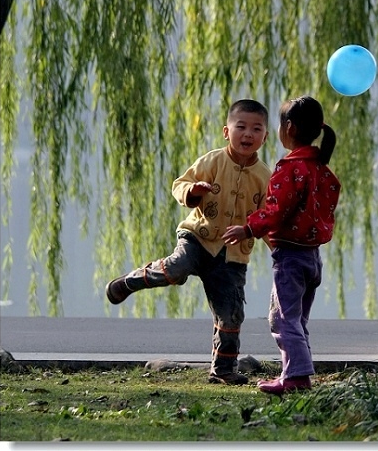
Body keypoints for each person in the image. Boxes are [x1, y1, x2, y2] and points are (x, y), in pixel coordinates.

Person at [105, 99, 271, 385]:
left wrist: (277, 248)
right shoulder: (212, 161)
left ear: (265, 137)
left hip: (232, 255)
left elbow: (268, 217)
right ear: (226, 131)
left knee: (231, 313)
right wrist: (193, 191)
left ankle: (222, 369)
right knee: (176, 269)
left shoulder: (265, 176)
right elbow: (179, 185)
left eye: (256, 129)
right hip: (198, 237)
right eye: (240, 127)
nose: (247, 134)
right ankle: (130, 281)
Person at [222, 95, 341, 395]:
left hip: (290, 257)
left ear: (287, 127)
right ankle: (295, 373)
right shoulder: (322, 170)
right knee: (298, 320)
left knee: (282, 319)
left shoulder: (291, 169)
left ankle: (297, 378)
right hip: (313, 258)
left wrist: (248, 228)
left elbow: (276, 210)